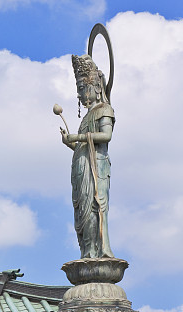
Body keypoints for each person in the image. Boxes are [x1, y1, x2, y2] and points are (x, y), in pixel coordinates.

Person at [61, 54, 115, 259]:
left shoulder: (105, 109)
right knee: (82, 210)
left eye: (83, 88)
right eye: (79, 90)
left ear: (96, 86)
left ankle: (99, 251)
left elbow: (106, 136)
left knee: (94, 206)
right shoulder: (86, 117)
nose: (80, 94)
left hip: (96, 168)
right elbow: (83, 146)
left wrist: (79, 137)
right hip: (82, 168)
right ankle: (88, 250)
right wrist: (71, 143)